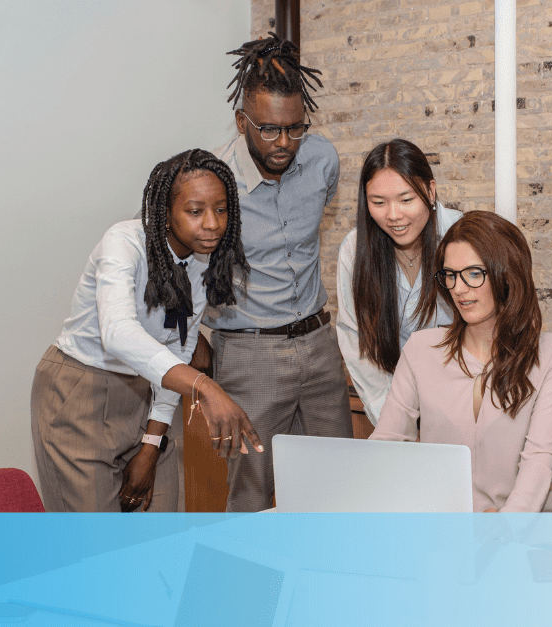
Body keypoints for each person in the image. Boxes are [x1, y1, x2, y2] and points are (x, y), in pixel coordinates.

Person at [31, 149, 262, 513]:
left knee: (162, 534)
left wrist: (152, 444)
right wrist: (204, 386)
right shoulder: (124, 243)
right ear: (166, 213)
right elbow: (119, 333)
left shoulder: (203, 259)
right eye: (195, 211)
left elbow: (179, 351)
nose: (213, 224)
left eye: (221, 210)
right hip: (81, 392)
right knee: (96, 547)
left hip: (150, 392)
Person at [203, 33, 353, 512]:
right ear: (242, 120)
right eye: (268, 130)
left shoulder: (322, 158)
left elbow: (314, 222)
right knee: (251, 491)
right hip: (249, 353)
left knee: (335, 483)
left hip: (318, 343)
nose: (284, 143)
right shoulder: (214, 180)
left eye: (295, 128)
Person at [370, 211, 552, 512]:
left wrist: (505, 527)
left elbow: (540, 461)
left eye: (474, 274)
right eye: (450, 275)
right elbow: (386, 441)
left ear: (507, 273)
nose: (458, 289)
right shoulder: (421, 349)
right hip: (444, 531)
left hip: (523, 531)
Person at [336, 139, 464, 425]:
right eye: (378, 202)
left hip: (463, 404)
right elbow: (356, 338)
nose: (393, 215)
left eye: (406, 200)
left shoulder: (462, 238)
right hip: (393, 402)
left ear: (430, 192)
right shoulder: (355, 250)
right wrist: (394, 419)